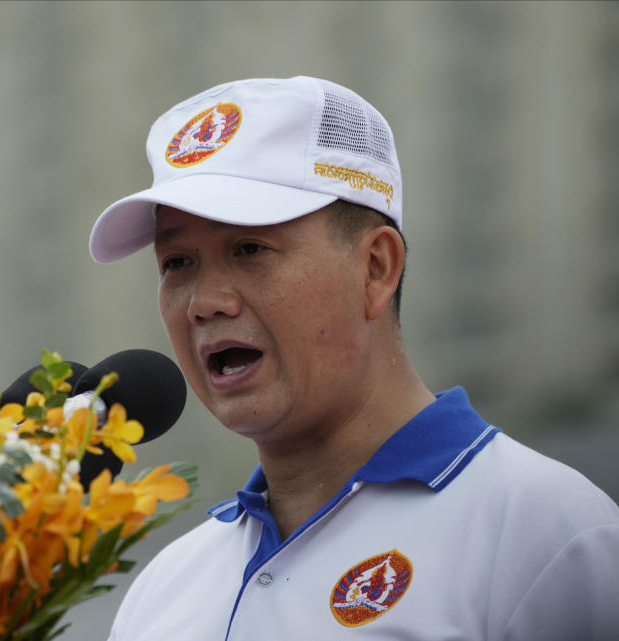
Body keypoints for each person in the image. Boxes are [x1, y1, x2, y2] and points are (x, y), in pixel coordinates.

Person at [87, 76, 619, 640]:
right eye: (177, 263)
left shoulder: (548, 535)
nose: (204, 303)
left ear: (376, 269)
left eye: (249, 249)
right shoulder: (167, 584)